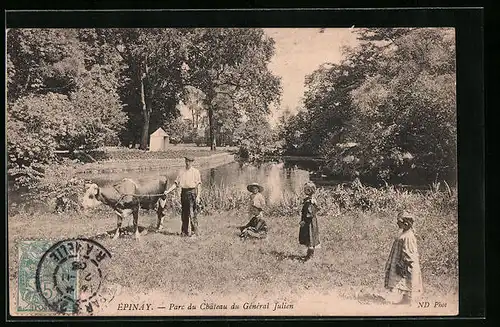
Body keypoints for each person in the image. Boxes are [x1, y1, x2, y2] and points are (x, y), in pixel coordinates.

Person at [384, 211, 423, 304]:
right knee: (403, 281)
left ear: (405, 223)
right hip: (400, 260)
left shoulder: (408, 236)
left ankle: (411, 301)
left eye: (399, 221)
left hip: (406, 263)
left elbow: (409, 253)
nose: (397, 223)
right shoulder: (403, 234)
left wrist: (404, 263)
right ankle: (405, 299)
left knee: (409, 279)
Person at [164, 156, 202, 237]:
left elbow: (198, 185)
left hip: (192, 193)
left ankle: (194, 232)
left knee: (192, 213)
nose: (187, 163)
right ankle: (184, 232)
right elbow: (176, 183)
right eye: (186, 161)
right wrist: (168, 191)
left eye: (189, 161)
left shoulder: (195, 172)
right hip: (184, 193)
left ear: (192, 162)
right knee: (184, 214)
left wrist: (198, 196)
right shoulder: (181, 171)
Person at [299, 181, 320, 261]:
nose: (305, 191)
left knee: (310, 237)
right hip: (311, 221)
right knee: (309, 237)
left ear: (310, 191)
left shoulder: (310, 202)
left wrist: (304, 221)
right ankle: (309, 254)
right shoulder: (310, 200)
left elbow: (309, 213)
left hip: (309, 222)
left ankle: (309, 256)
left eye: (307, 189)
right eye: (305, 189)